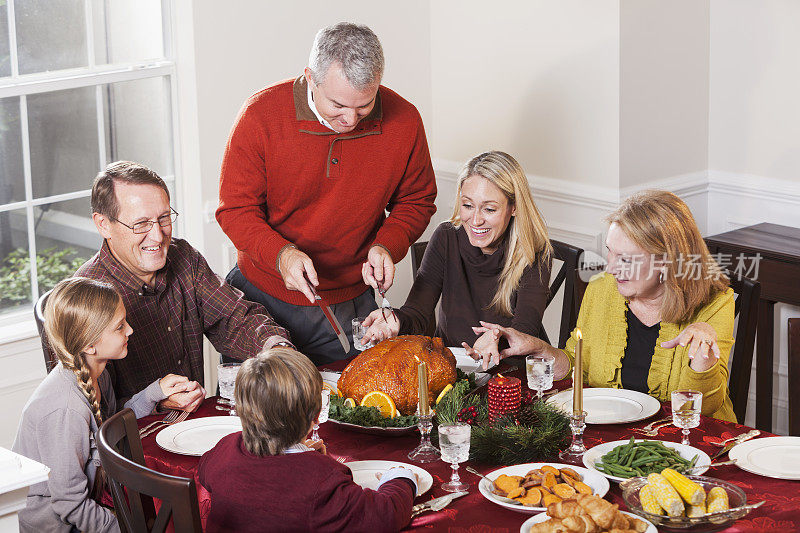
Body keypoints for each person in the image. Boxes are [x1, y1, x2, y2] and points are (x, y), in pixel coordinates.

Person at [216, 22, 437, 365]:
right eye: (338, 105)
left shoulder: (405, 120)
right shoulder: (260, 115)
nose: (350, 119)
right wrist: (282, 255)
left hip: (351, 304)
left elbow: (416, 200)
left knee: (351, 411)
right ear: (309, 77)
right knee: (257, 415)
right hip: (261, 299)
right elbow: (236, 210)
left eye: (364, 106)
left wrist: (386, 245)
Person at [471, 190, 737, 422]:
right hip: (612, 435)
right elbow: (577, 366)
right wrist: (539, 347)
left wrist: (703, 360)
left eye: (626, 259)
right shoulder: (602, 289)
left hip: (687, 444)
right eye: (610, 251)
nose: (611, 267)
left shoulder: (714, 303)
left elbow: (703, 410)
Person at [77, 160, 292, 406]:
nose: (158, 236)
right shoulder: (83, 297)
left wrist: (278, 349)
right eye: (141, 224)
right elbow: (93, 410)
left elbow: (235, 319)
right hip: (133, 438)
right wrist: (157, 402)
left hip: (197, 423)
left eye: (164, 218)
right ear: (103, 224)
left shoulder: (184, 258)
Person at [12, 278, 198, 532]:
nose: (130, 330)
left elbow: (111, 421)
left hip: (92, 504)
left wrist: (157, 392)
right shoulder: (65, 409)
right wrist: (127, 528)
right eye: (120, 327)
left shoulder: (97, 374)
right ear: (89, 344)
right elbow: (70, 504)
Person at [198, 347, 418, 532]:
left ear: (244, 409)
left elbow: (207, 472)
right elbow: (385, 516)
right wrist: (401, 479)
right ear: (315, 416)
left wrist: (301, 456)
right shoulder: (322, 481)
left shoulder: (225, 449)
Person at [363, 151, 552, 359]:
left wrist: (497, 337)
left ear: (514, 207)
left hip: (510, 372)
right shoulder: (446, 237)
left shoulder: (533, 250)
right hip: (453, 368)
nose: (476, 220)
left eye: (489, 209)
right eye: (468, 205)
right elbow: (417, 314)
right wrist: (394, 320)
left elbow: (526, 331)